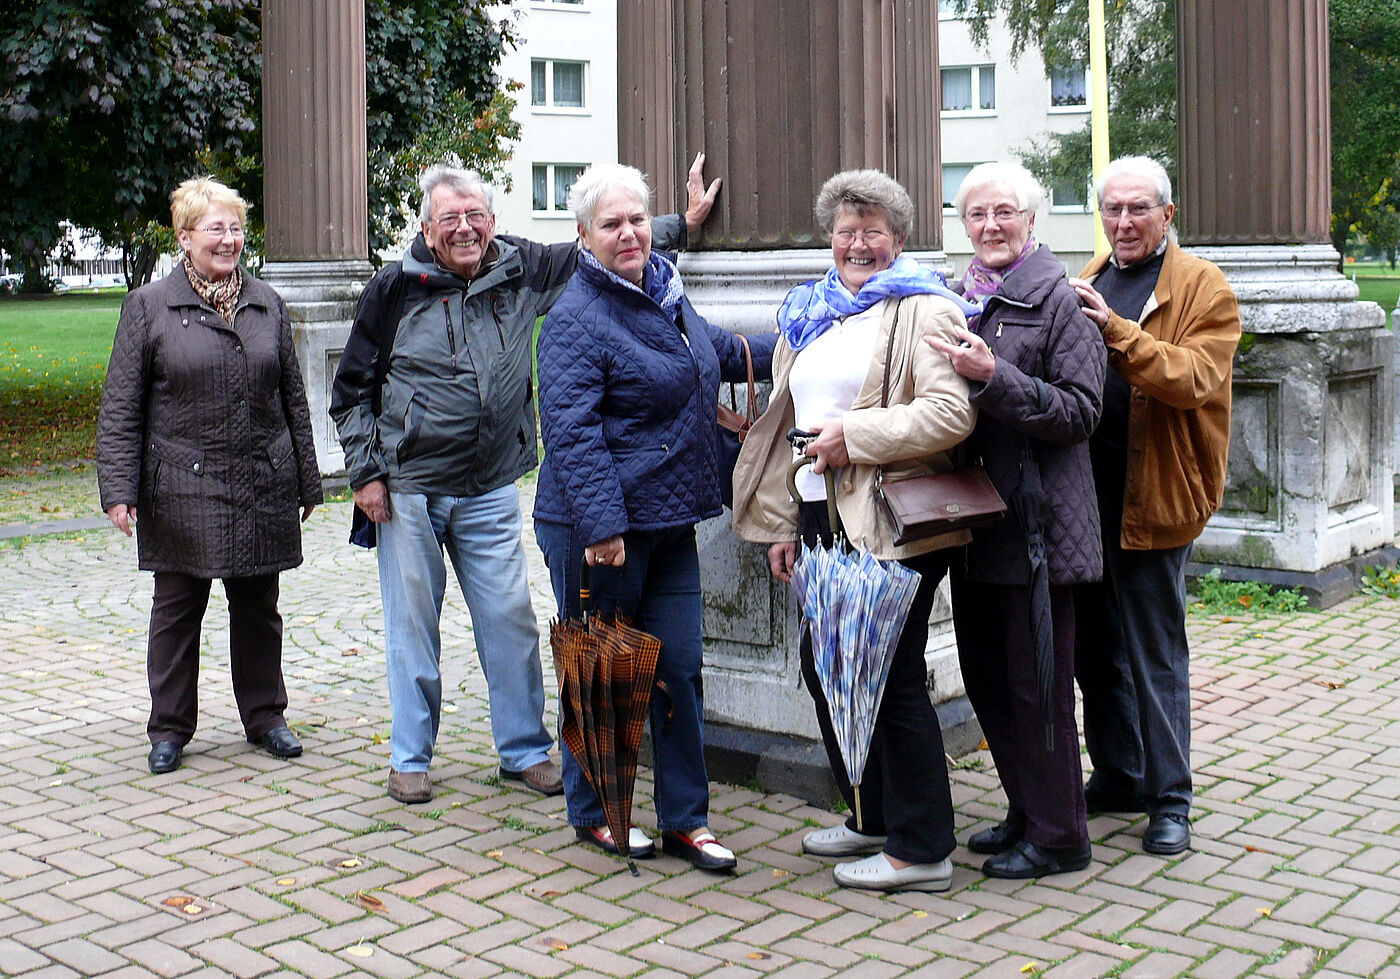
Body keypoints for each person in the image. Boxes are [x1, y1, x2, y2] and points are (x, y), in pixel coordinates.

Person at [330, 157, 721, 806]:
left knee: (510, 620)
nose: (465, 228)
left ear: (492, 221)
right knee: (412, 623)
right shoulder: (392, 289)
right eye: (449, 217)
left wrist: (683, 223)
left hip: (488, 484)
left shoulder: (519, 266)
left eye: (476, 215)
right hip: (408, 486)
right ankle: (410, 756)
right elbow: (351, 390)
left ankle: (522, 750)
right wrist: (366, 473)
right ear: (427, 229)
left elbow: (602, 241)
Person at [731, 170, 977, 893]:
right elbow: (788, 425)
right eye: (847, 229)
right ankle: (873, 814)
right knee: (826, 666)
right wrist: (782, 520)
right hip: (818, 515)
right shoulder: (813, 312)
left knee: (891, 676)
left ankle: (923, 846)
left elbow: (949, 415)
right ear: (830, 238)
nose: (859, 242)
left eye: (874, 230)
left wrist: (855, 436)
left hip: (887, 514)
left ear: (898, 239)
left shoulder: (924, 309)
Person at [533, 162, 775, 873]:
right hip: (598, 527)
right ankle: (599, 812)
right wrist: (603, 525)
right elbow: (571, 429)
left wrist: (804, 331)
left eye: (637, 219)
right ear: (584, 236)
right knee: (604, 670)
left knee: (681, 668)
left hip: (669, 519)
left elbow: (718, 351)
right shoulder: (577, 315)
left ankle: (685, 821)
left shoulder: (664, 292)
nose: (629, 233)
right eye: (611, 224)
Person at [97, 176, 322, 775]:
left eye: (236, 228)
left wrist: (305, 477)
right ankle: (169, 728)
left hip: (257, 481)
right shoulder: (148, 307)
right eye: (216, 228)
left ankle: (266, 717)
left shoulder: (267, 303)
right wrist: (119, 490)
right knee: (176, 610)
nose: (229, 240)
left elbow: (291, 398)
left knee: (258, 606)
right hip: (181, 486)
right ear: (185, 235)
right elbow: (122, 405)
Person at [925, 162, 1104, 878]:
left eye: (1005, 212)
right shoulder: (958, 300)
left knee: (1038, 685)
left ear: (1032, 220)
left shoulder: (1058, 301)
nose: (991, 226)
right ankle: (1026, 808)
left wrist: (994, 376)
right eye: (977, 215)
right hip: (974, 524)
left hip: (1039, 530)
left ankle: (1062, 834)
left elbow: (1080, 411)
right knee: (989, 678)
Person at [1069, 156, 1241, 856]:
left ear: (1167, 215)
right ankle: (1118, 772)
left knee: (1153, 653)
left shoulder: (1203, 286)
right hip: (1087, 497)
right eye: (1113, 209)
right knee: (1094, 648)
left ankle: (1171, 799)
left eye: (1139, 209)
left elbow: (1193, 378)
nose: (1124, 222)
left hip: (1159, 496)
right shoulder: (1088, 274)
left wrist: (1116, 330)